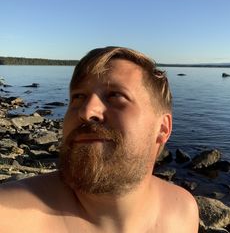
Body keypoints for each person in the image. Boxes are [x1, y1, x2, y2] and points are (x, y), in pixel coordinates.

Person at [0, 46, 199, 232]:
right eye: (78, 97)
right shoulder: (11, 216)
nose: (86, 111)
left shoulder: (182, 212)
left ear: (162, 128)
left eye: (115, 95)